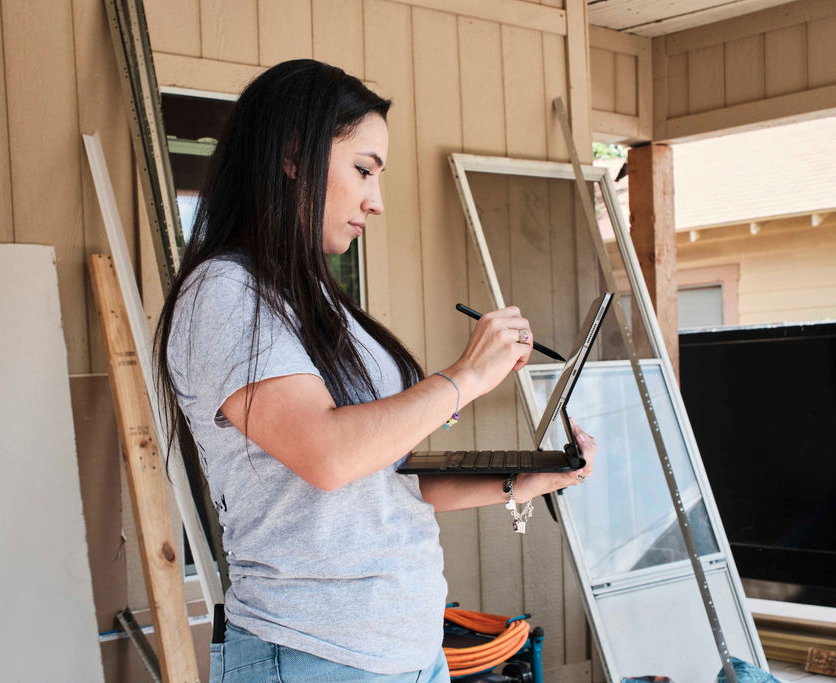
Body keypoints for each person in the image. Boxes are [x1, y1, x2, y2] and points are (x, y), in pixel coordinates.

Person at [154, 59, 597, 683]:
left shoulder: (322, 302)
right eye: (364, 170)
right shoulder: (224, 294)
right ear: (292, 155)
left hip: (407, 653)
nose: (376, 201)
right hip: (311, 653)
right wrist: (464, 377)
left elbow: (389, 482)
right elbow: (329, 456)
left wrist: (519, 482)